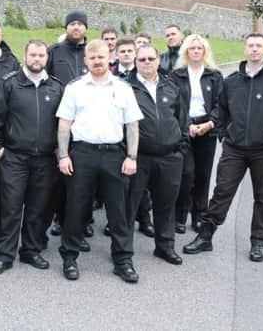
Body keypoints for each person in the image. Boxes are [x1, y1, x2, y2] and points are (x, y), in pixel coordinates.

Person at [184, 33, 263, 262]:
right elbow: (221, 111)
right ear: (245, 49)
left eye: (258, 45)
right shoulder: (232, 81)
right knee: (221, 193)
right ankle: (205, 237)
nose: (254, 49)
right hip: (234, 148)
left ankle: (258, 243)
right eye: (250, 45)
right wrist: (223, 134)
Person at [56, 39, 143, 283]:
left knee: (119, 210)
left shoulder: (123, 88)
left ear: (109, 58)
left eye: (101, 57)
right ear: (86, 61)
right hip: (82, 154)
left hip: (115, 154)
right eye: (92, 58)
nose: (97, 62)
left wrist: (132, 156)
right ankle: (70, 257)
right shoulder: (75, 88)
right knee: (76, 208)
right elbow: (64, 125)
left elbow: (132, 126)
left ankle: (123, 260)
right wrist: (63, 155)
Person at [0, 40, 63, 275]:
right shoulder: (10, 84)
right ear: (25, 55)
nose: (37, 59)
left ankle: (30, 250)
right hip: (14, 157)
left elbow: (63, 124)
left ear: (46, 58)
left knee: (37, 208)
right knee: (10, 207)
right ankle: (5, 254)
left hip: (45, 160)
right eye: (33, 55)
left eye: (41, 55)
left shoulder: (56, 87)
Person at [126, 44, 189, 267]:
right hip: (138, 157)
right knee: (129, 205)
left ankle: (165, 247)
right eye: (141, 59)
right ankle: (123, 253)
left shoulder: (171, 87)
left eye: (151, 58)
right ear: (135, 62)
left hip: (169, 157)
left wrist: (181, 146)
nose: (147, 63)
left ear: (158, 61)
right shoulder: (126, 88)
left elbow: (182, 119)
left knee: (166, 204)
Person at [46, 11, 92, 251]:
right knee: (59, 177)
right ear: (67, 27)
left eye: (80, 24)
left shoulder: (91, 53)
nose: (76, 27)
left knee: (81, 181)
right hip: (60, 121)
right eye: (72, 24)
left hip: (85, 125)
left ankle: (78, 227)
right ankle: (59, 218)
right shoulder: (55, 52)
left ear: (85, 28)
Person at [170, 34, 223, 233]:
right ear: (186, 51)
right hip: (185, 129)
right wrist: (187, 126)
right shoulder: (177, 75)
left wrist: (210, 123)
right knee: (186, 174)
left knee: (203, 175)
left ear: (205, 51)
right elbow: (174, 104)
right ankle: (180, 215)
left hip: (207, 128)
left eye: (199, 48)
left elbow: (221, 104)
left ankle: (199, 214)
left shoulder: (215, 75)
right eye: (192, 48)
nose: (196, 51)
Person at [109, 39, 155, 238]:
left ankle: (145, 220)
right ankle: (119, 223)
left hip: (145, 137)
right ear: (117, 54)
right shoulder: (114, 78)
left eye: (130, 51)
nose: (127, 54)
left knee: (142, 189)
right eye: (123, 51)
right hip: (123, 140)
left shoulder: (142, 77)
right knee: (126, 186)